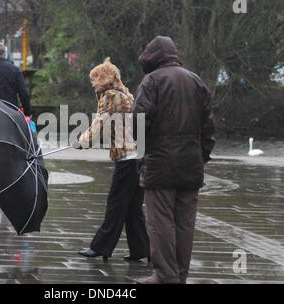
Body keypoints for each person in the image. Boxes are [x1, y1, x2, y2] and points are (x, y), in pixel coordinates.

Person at [132, 36, 216, 284]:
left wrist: (142, 153)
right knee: (185, 223)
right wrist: (203, 155)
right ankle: (180, 274)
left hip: (160, 164)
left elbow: (138, 124)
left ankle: (165, 274)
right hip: (190, 165)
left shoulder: (152, 81)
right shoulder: (195, 80)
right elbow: (209, 125)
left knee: (160, 222)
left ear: (152, 57)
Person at [74, 58, 150, 262]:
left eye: (95, 79)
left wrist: (82, 141)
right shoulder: (126, 94)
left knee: (116, 204)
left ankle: (100, 247)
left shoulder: (110, 96)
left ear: (104, 79)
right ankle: (142, 249)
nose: (93, 83)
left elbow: (100, 124)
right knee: (133, 208)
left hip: (127, 158)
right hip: (138, 157)